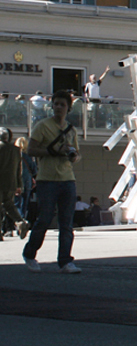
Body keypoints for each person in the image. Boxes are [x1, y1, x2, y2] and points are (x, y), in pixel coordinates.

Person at [23, 90, 81, 273]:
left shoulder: (71, 130)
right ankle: (30, 253)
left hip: (67, 179)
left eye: (62, 104)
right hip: (47, 180)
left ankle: (65, 261)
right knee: (45, 219)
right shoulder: (42, 126)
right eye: (56, 104)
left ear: (68, 108)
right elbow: (31, 150)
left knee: (66, 223)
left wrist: (73, 156)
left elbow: (77, 154)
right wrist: (53, 151)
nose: (58, 107)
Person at [0, 127, 30, 240]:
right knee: (9, 205)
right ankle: (20, 222)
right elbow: (19, 169)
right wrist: (19, 185)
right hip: (11, 183)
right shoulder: (16, 150)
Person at [14, 136, 35, 219]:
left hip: (16, 181)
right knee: (24, 204)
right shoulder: (29, 156)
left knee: (16, 203)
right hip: (27, 181)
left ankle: (17, 220)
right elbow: (34, 170)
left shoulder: (14, 156)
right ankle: (22, 219)